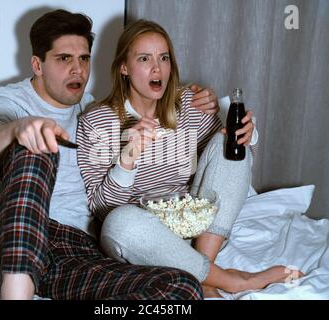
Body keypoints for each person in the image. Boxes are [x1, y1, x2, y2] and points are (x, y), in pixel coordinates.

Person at [0, 9, 223, 300]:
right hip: (6, 243)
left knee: (182, 286)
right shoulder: (8, 102)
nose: (78, 70)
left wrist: (198, 98)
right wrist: (18, 130)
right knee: (38, 146)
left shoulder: (92, 112)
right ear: (37, 64)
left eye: (84, 59)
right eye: (64, 59)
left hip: (74, 249)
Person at [76, 19, 303, 298]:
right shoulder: (96, 121)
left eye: (164, 58)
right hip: (143, 238)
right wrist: (127, 159)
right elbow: (100, 207)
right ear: (124, 67)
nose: (157, 68)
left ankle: (204, 274)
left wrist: (247, 136)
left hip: (195, 230)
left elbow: (232, 163)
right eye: (144, 58)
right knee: (119, 223)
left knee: (226, 140)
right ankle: (233, 281)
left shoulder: (188, 105)